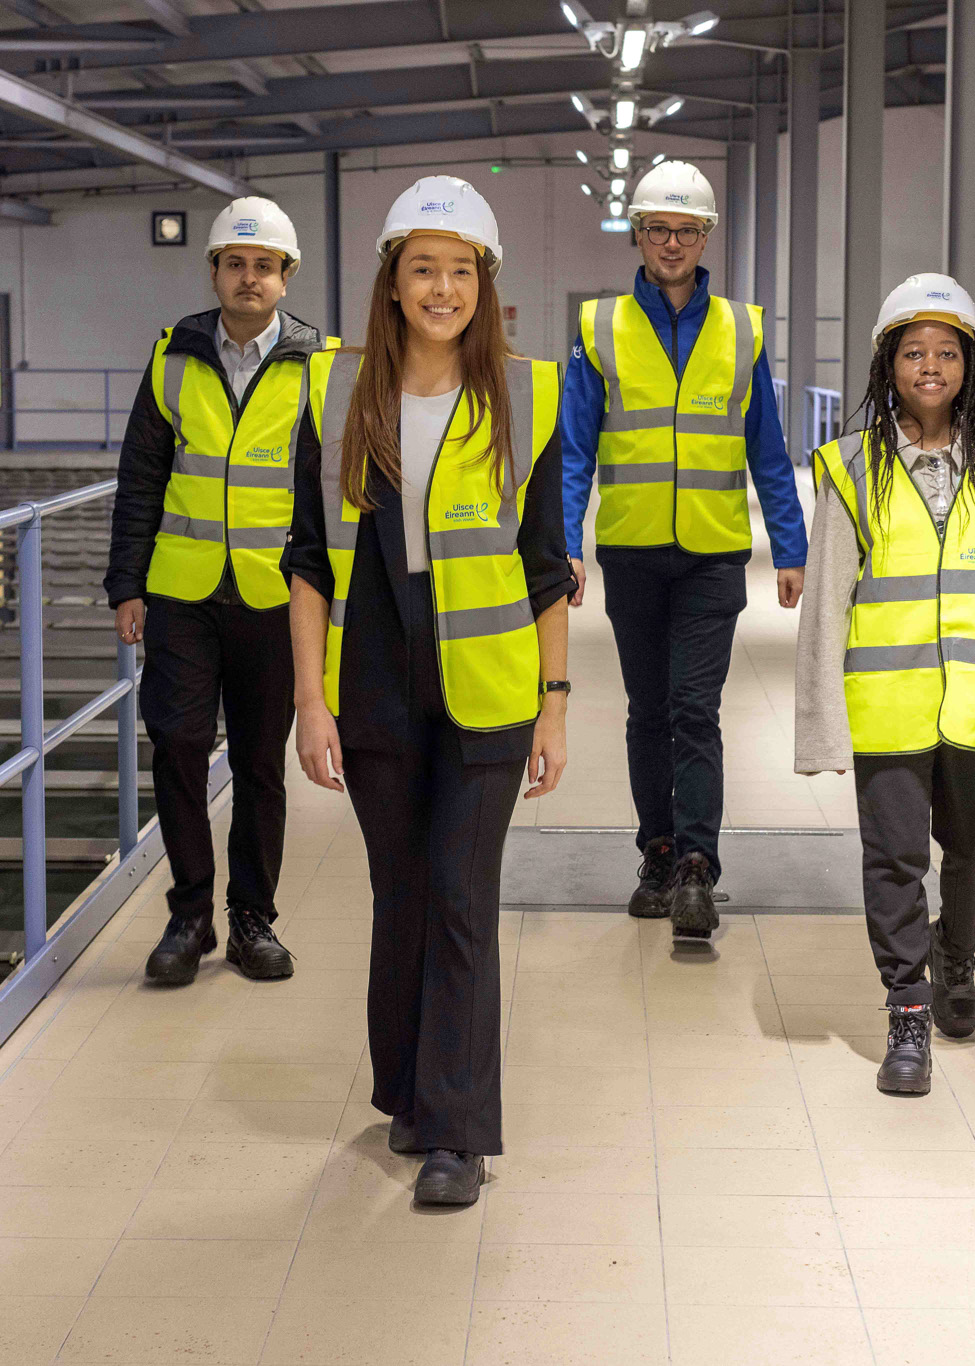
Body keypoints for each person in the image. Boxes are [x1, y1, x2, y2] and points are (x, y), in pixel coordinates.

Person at [284, 176, 571, 1206]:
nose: (441, 288)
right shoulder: (333, 391)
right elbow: (308, 559)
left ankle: (457, 1131)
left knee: (459, 896)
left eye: (460, 271)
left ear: (484, 286)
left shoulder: (526, 395)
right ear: (391, 283)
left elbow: (546, 564)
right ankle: (407, 1089)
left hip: (488, 684)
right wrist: (310, 705)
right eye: (422, 270)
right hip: (373, 677)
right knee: (397, 894)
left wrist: (555, 699)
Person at [794, 273, 975, 1096]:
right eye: (913, 352)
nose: (930, 366)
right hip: (886, 705)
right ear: (889, 365)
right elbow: (825, 608)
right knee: (892, 859)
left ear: (969, 366)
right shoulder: (850, 469)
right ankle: (908, 1010)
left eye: (945, 353)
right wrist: (821, 728)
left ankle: (957, 946)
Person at [560, 160, 807, 941]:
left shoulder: (742, 329)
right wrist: (566, 542)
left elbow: (768, 449)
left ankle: (698, 867)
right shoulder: (600, 327)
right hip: (631, 551)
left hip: (713, 555)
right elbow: (573, 451)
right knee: (648, 713)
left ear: (706, 239)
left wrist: (791, 545)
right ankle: (657, 854)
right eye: (659, 228)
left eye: (687, 230)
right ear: (637, 233)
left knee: (696, 711)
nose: (672, 242)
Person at [104, 197, 335, 987]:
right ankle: (190, 914)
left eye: (263, 266)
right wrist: (125, 584)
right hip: (182, 592)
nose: (248, 277)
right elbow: (141, 478)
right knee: (176, 746)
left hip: (276, 596)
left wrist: (328, 592)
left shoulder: (320, 365)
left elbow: (326, 490)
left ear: (285, 277)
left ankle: (252, 919)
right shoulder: (172, 355)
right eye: (234, 263)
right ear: (213, 271)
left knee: (263, 767)